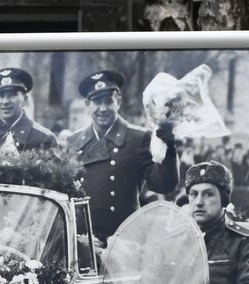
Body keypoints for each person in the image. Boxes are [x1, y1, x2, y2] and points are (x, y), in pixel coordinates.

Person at [65, 69, 179, 241]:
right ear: (87, 105)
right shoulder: (74, 141)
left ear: (118, 102)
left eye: (108, 101)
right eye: (97, 102)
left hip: (124, 240)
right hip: (82, 240)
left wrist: (168, 147)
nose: (103, 108)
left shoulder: (138, 138)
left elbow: (162, 185)